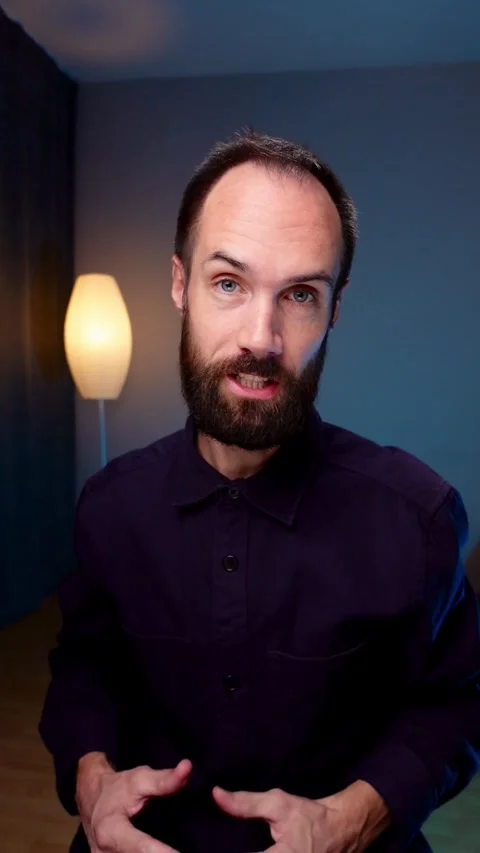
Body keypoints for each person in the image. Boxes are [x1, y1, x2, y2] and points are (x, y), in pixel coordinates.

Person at [39, 130, 480, 853]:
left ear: (334, 310)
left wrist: (354, 818)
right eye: (228, 283)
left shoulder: (417, 517)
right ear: (179, 284)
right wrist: (90, 777)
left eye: (300, 294)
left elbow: (460, 701)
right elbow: (83, 668)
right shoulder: (109, 507)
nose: (261, 336)